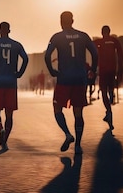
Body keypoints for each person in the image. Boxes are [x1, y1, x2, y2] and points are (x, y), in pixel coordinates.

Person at [44, 11, 98, 154]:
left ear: (61, 22)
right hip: (80, 79)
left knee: (57, 109)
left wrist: (52, 70)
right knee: (78, 113)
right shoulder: (83, 35)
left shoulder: (57, 37)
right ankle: (78, 144)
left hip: (64, 78)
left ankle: (68, 134)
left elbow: (47, 55)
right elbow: (95, 53)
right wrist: (93, 69)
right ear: (73, 21)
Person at [0, 22, 29, 150]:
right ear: (9, 30)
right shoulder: (17, 45)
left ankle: (0, 128)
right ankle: (5, 140)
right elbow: (25, 58)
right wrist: (19, 73)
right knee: (9, 115)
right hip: (11, 82)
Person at [94, 25, 123, 130]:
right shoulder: (114, 41)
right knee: (110, 89)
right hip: (112, 70)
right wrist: (120, 70)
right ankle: (111, 99)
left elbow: (89, 47)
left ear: (102, 32)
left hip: (103, 70)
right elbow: (121, 55)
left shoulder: (99, 42)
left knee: (103, 91)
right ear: (109, 31)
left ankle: (108, 111)